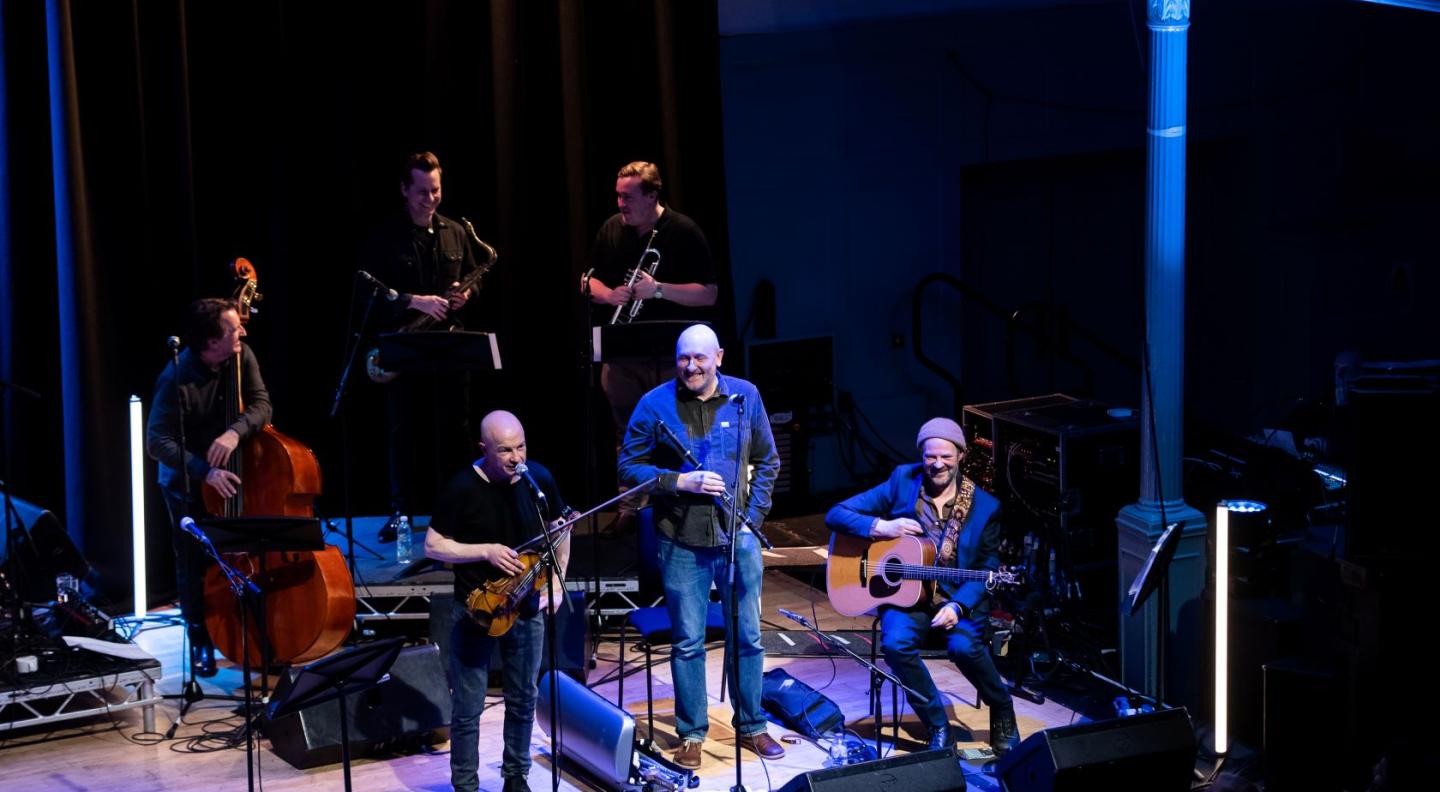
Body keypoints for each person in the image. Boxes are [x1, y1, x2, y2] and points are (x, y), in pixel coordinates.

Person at [617, 324, 783, 769]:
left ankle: (752, 725)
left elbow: (768, 459)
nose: (691, 366)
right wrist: (678, 481)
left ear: (719, 358)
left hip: (738, 538)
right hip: (681, 540)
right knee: (688, 641)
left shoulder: (745, 396)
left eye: (700, 358)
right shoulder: (654, 404)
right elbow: (628, 466)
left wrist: (755, 519)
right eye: (683, 358)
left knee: (747, 637)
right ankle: (692, 733)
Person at [825, 417, 1020, 754]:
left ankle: (1001, 706)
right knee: (896, 645)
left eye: (946, 456)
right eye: (930, 456)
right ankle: (937, 725)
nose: (937, 464)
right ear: (922, 455)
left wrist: (958, 606)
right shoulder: (903, 480)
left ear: (960, 455)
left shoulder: (985, 507)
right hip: (907, 597)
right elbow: (837, 514)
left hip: (957, 598)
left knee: (963, 647)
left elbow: (988, 567)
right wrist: (880, 527)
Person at [424, 410, 569, 792]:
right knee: (469, 707)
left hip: (526, 606)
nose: (515, 458)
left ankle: (515, 777)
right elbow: (433, 545)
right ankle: (466, 785)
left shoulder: (537, 478)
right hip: (476, 612)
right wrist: (485, 551)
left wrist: (556, 582)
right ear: (483, 449)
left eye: (520, 447)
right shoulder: (461, 487)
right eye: (504, 450)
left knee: (523, 698)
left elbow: (561, 527)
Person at [146, 298, 272, 677]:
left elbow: (262, 405)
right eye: (234, 329)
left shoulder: (241, 355)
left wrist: (236, 432)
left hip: (235, 474)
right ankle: (199, 635)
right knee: (193, 562)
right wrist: (205, 471)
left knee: (250, 548)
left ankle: (256, 628)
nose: (243, 333)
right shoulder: (175, 377)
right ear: (210, 342)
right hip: (188, 481)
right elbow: (157, 441)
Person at [360, 151, 483, 533]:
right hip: (406, 342)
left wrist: (468, 295)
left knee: (456, 430)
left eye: (435, 190)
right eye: (421, 192)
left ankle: (460, 511)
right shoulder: (385, 236)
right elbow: (371, 293)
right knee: (403, 431)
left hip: (449, 343)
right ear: (404, 190)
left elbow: (470, 279)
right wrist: (415, 300)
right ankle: (401, 511)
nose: (430, 199)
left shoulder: (456, 231)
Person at [584, 160, 718, 435]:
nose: (621, 203)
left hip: (673, 358)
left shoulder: (684, 230)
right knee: (630, 437)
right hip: (622, 358)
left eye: (628, 197)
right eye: (619, 196)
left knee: (679, 435)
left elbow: (709, 294)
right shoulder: (611, 228)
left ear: (652, 196)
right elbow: (587, 281)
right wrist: (609, 295)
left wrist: (658, 289)